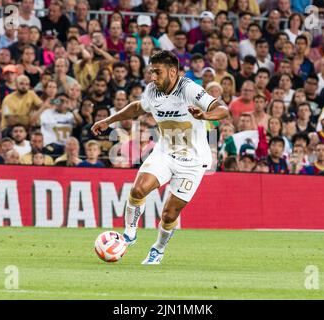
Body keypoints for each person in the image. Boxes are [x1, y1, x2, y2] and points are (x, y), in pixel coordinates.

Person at [91, 50, 228, 264]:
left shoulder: (189, 89)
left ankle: (158, 248)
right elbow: (137, 107)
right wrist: (108, 121)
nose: (152, 77)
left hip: (193, 162)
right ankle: (129, 233)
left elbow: (223, 109)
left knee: (169, 214)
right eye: (151, 72)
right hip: (165, 153)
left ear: (173, 72)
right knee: (138, 189)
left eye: (157, 72)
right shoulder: (152, 91)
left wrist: (206, 115)